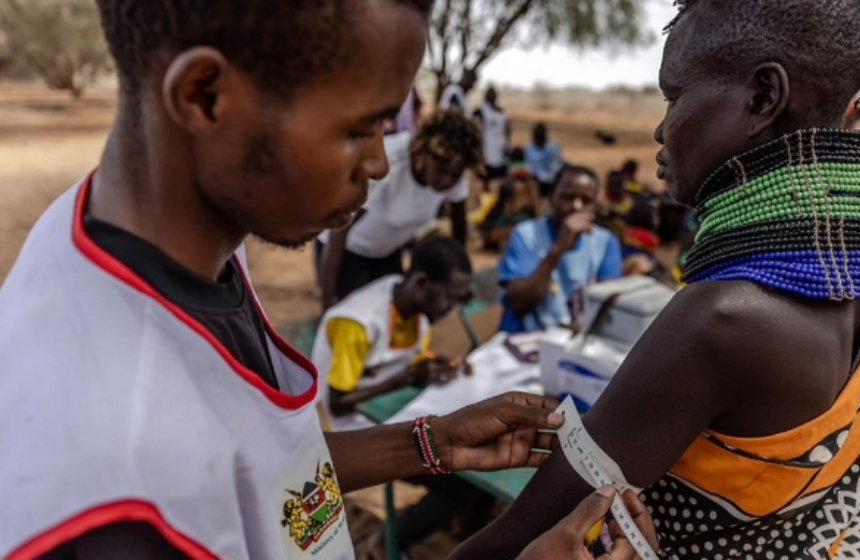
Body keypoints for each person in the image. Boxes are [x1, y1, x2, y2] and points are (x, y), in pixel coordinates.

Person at [0, 1, 656, 559]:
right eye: (359, 128)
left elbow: (250, 472)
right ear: (206, 97)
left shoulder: (150, 239)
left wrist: (428, 442)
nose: (377, 162)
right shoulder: (115, 492)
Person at [451, 0, 860, 559]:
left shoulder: (723, 320)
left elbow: (512, 544)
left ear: (763, 97)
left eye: (673, 97)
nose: (660, 129)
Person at [313, 237, 473, 432]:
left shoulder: (415, 310)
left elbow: (408, 358)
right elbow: (337, 404)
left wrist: (438, 365)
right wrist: (405, 380)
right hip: (334, 426)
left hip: (376, 410)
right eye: (449, 297)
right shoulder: (359, 323)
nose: (451, 307)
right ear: (422, 282)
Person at [321, 111, 478, 308]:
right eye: (441, 170)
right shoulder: (388, 163)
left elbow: (459, 232)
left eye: (454, 175)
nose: (447, 180)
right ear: (425, 154)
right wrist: (328, 299)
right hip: (348, 250)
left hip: (389, 251)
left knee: (392, 316)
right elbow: (340, 230)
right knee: (355, 314)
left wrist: (457, 280)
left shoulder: (456, 169)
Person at [499, 165, 622, 333]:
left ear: (594, 206)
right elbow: (519, 305)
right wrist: (558, 248)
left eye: (586, 200)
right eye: (567, 197)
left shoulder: (605, 242)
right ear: (551, 199)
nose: (576, 207)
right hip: (527, 337)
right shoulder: (525, 235)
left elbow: (606, 305)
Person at [475, 86, 511, 193]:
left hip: (500, 147)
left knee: (501, 178)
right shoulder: (482, 111)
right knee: (487, 178)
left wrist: (507, 145)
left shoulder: (502, 112)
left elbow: (507, 130)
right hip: (488, 149)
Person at [525, 122, 563, 198]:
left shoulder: (553, 148)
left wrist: (543, 179)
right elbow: (527, 165)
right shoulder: (529, 148)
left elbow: (555, 168)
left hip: (548, 181)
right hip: (532, 180)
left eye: (539, 136)